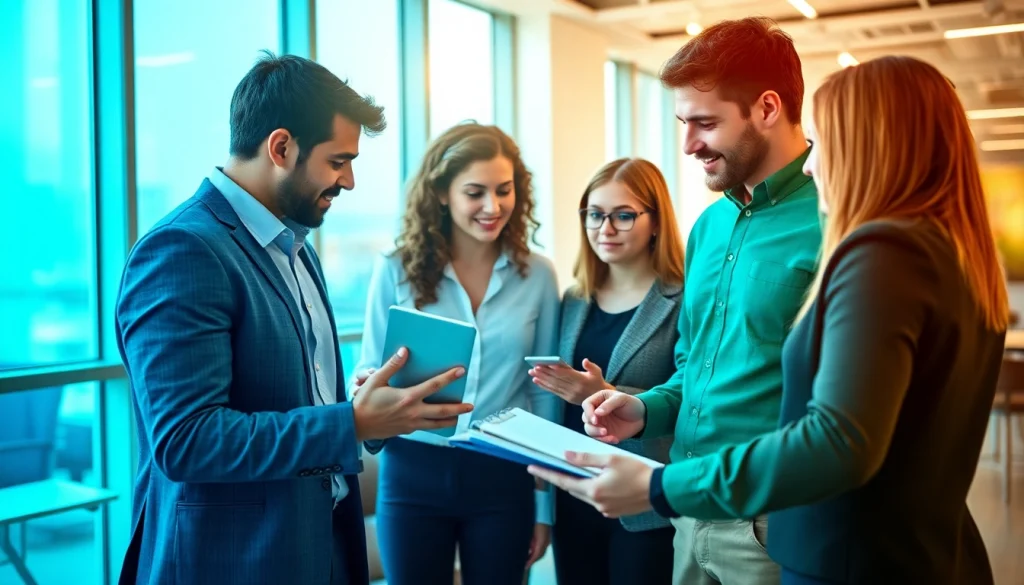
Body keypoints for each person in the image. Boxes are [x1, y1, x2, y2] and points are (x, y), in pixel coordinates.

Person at [531, 55, 1011, 585]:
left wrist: (658, 487)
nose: (811, 162)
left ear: (875, 146)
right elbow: (702, 366)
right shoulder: (950, 255)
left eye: (825, 141)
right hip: (869, 543)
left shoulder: (878, 251)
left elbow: (837, 440)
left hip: (828, 541)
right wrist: (647, 409)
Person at [114, 52, 473, 585]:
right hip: (234, 560)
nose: (349, 181)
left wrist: (374, 409)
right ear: (281, 147)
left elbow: (299, 399)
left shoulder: (296, 248)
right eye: (337, 160)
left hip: (317, 540)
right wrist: (352, 422)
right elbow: (186, 439)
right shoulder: (183, 250)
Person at [530, 16, 821, 585]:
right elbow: (694, 371)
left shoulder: (830, 222)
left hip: (767, 522)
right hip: (687, 517)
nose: (688, 145)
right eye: (683, 122)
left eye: (705, 123)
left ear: (766, 108)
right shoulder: (711, 228)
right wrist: (641, 409)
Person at [353, 122, 561, 585]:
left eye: (504, 190)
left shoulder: (539, 277)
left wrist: (544, 506)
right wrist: (366, 386)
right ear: (442, 194)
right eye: (475, 192)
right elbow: (369, 369)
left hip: (504, 475)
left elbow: (545, 395)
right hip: (412, 471)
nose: (493, 206)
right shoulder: (395, 270)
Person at [528, 157, 684, 585]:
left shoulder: (684, 299)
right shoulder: (575, 298)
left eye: (623, 216)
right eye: (595, 215)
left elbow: (691, 399)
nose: (605, 229)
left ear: (656, 222)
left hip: (644, 504)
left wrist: (604, 393)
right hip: (575, 495)